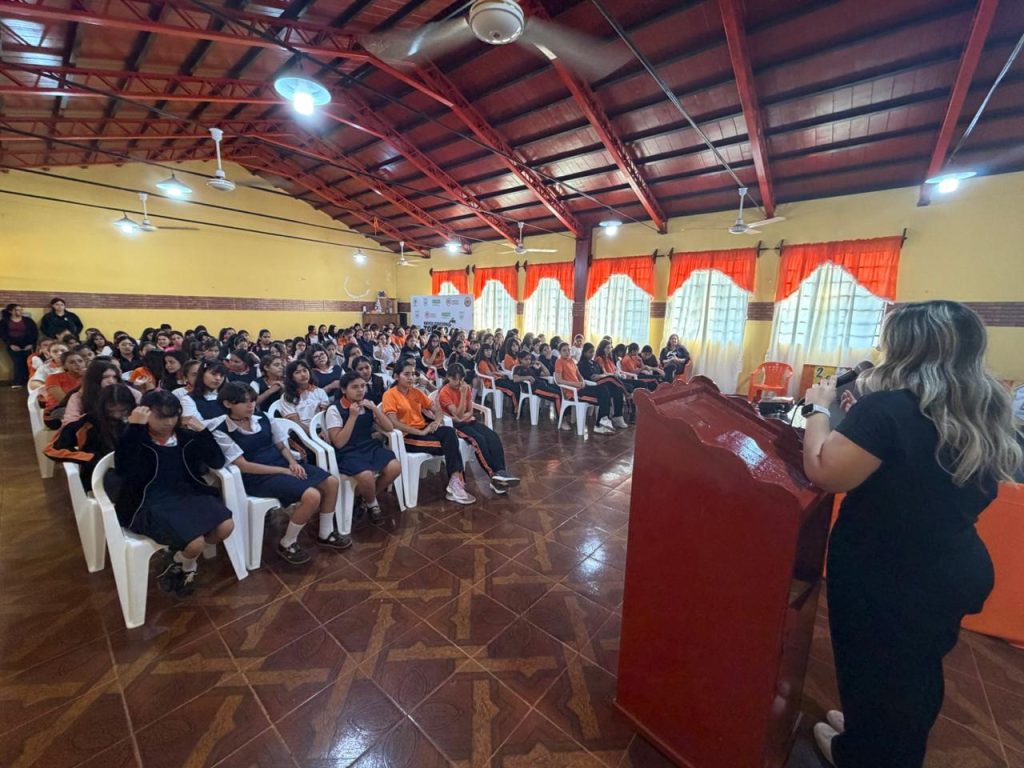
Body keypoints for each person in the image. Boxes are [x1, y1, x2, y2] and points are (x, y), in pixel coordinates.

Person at [801, 301, 1022, 768]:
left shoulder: (888, 409)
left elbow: (824, 470)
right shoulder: (982, 407)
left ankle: (863, 753)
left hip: (889, 571)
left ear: (907, 348)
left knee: (873, 668)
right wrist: (861, 421)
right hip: (949, 566)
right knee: (912, 672)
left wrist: (817, 408)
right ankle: (869, 731)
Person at [114, 392, 236, 597]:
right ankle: (188, 567)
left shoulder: (185, 437)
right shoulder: (137, 438)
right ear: (145, 414)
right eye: (161, 416)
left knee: (226, 526)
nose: (169, 422)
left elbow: (217, 461)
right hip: (149, 501)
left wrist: (203, 432)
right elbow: (123, 469)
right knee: (195, 542)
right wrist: (134, 427)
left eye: (173, 415)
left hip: (188, 494)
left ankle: (178, 559)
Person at [211, 383, 345, 563]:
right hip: (258, 477)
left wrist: (292, 462)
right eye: (244, 402)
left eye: (252, 401)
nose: (251, 405)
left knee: (331, 482)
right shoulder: (222, 431)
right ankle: (287, 542)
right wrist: (284, 470)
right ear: (228, 404)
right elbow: (243, 465)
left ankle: (326, 532)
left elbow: (281, 445)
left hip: (282, 464)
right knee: (312, 496)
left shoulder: (263, 418)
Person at [383, 358, 475, 504]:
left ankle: (454, 481)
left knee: (450, 432)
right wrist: (420, 432)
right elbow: (393, 423)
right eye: (406, 374)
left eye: (413, 374)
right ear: (396, 376)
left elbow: (437, 409)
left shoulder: (416, 392)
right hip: (407, 436)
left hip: (424, 429)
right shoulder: (390, 395)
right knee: (450, 446)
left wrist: (437, 422)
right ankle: (456, 482)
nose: (411, 378)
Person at [325, 373, 402, 524]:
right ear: (344, 389)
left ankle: (365, 499)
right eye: (354, 387)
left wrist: (375, 409)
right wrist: (352, 416)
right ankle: (373, 505)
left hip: (368, 446)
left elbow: (389, 427)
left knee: (395, 467)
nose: (360, 390)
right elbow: (339, 443)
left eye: (362, 386)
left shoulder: (367, 404)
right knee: (366, 475)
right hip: (347, 451)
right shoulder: (334, 409)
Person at [438, 364, 520, 494]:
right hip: (455, 426)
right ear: (448, 377)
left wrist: (463, 416)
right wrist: (462, 396)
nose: (459, 383)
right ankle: (493, 476)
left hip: (468, 421)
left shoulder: (466, 388)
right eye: (455, 379)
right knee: (479, 440)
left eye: (461, 379)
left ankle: (501, 472)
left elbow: (470, 411)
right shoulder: (444, 392)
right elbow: (458, 414)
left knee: (492, 436)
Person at [46, 383, 137, 490]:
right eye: (111, 411)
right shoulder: (89, 421)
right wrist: (90, 458)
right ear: (103, 407)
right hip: (99, 478)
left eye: (123, 411)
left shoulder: (137, 420)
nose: (117, 415)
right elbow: (52, 449)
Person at [554, 342, 618, 435]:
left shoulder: (571, 361)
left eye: (568, 350)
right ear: (560, 352)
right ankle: (600, 423)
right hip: (573, 392)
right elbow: (559, 380)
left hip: (581, 388)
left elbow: (579, 375)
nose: (567, 352)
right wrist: (575, 384)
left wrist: (582, 382)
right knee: (603, 394)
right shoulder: (559, 362)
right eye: (564, 350)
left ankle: (602, 421)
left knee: (604, 389)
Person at [62, 359, 141, 425]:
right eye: (105, 377)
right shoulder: (79, 396)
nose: (111, 381)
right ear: (94, 379)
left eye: (114, 377)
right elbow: (69, 422)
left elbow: (140, 404)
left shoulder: (127, 390)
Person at [578, 343, 629, 427]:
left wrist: (601, 376)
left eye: (593, 352)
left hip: (602, 382)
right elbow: (591, 377)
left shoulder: (594, 363)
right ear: (584, 353)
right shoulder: (582, 364)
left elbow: (603, 373)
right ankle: (627, 392)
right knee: (611, 378)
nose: (592, 354)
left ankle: (618, 416)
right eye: (590, 352)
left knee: (617, 390)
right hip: (591, 385)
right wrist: (601, 376)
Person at [512, 348, 564, 424]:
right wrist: (527, 377)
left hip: (542, 384)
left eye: (529, 359)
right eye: (526, 359)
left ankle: (563, 415)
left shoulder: (532, 368)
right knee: (557, 395)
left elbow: (547, 373)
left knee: (561, 390)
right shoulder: (518, 368)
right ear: (520, 359)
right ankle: (561, 420)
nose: (528, 361)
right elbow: (515, 379)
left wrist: (540, 363)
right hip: (534, 388)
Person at [279, 360, 329, 433]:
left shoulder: (319, 392)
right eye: (297, 372)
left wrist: (323, 431)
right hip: (299, 432)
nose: (303, 374)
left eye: (305, 370)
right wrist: (313, 435)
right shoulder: (287, 397)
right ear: (291, 377)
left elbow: (323, 416)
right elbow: (295, 422)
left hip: (320, 428)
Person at [42, 348, 88, 426]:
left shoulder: (89, 376)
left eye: (80, 361)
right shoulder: (53, 378)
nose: (77, 364)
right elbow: (64, 400)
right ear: (64, 366)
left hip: (83, 408)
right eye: (72, 362)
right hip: (58, 410)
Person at [0, 303, 39, 387]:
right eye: (17, 310)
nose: (20, 311)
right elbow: (3, 334)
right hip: (13, 344)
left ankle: (29, 381)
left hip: (27, 344)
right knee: (18, 362)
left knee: (28, 362)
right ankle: (17, 382)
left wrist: (31, 344)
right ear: (10, 311)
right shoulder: (4, 321)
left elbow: (34, 332)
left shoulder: (28, 320)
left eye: (21, 310)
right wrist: (10, 344)